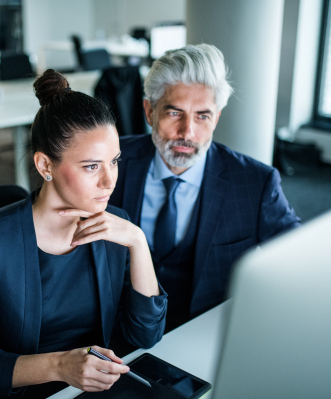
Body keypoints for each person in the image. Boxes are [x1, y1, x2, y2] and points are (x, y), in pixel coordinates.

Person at [0, 69, 167, 398]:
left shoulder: (116, 227)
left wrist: (138, 242)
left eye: (114, 162)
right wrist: (60, 366)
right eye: (91, 166)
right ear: (45, 166)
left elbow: (146, 336)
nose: (109, 181)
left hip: (96, 389)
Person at [109, 44, 301, 332]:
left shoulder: (255, 183)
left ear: (217, 118)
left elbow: (300, 256)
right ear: (149, 111)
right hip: (118, 324)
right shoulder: (112, 161)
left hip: (204, 331)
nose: (188, 132)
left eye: (202, 116)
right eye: (174, 113)